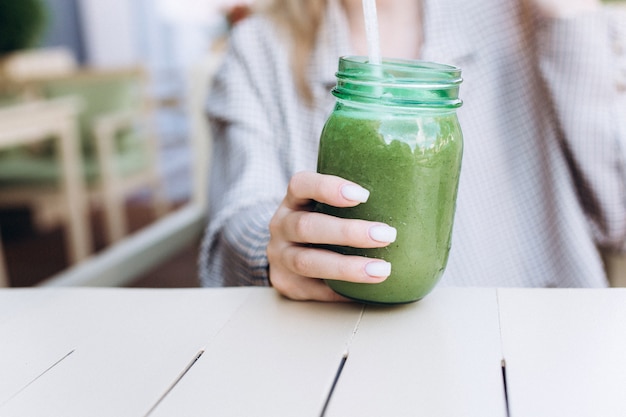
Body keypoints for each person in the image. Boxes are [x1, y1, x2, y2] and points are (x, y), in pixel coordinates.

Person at [199, 0, 626, 301]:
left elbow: (619, 215)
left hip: (536, 345)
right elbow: (239, 217)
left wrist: (568, 13)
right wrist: (276, 250)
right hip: (347, 356)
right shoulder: (259, 49)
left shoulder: (526, 17)